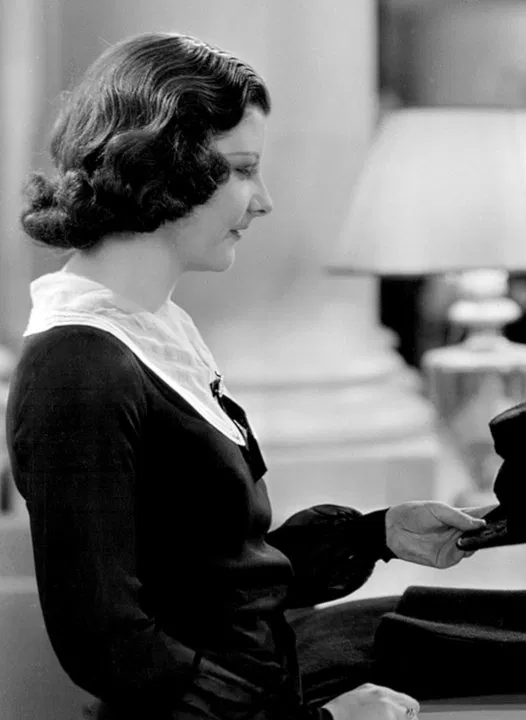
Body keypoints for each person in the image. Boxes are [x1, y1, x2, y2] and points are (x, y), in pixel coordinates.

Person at [7, 33, 489, 720]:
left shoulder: (152, 329)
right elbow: (110, 645)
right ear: (162, 166)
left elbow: (216, 581)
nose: (263, 201)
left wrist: (377, 536)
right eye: (242, 170)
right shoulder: (78, 369)